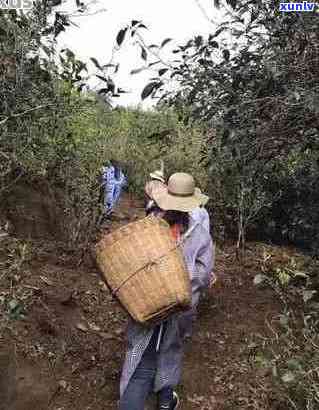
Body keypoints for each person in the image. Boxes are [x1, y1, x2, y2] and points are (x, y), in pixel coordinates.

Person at [119, 172, 214, 410]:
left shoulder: (148, 228)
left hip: (147, 303)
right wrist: (183, 289)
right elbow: (202, 275)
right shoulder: (200, 234)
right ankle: (164, 400)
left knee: (142, 357)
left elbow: (131, 263)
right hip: (181, 307)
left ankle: (143, 400)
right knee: (170, 350)